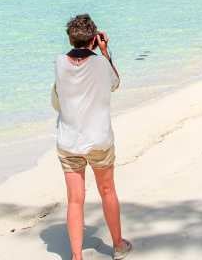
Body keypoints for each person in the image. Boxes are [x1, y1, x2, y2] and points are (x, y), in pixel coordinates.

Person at [52, 13, 132, 260]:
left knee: (75, 200)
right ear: (94, 39)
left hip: (69, 141)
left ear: (70, 38)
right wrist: (105, 52)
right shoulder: (100, 64)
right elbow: (115, 83)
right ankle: (118, 246)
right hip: (99, 139)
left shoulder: (59, 62)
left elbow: (57, 101)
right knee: (107, 190)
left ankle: (77, 257)